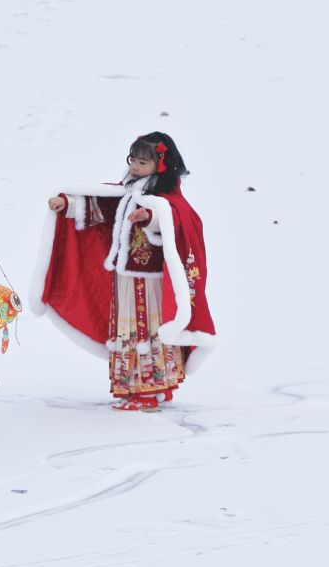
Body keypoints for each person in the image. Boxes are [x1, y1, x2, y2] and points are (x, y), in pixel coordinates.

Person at [32, 132, 216, 411]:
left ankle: (146, 391)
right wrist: (68, 205)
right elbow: (103, 208)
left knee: (145, 329)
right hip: (127, 278)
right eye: (133, 160)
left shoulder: (164, 200)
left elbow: (170, 220)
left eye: (143, 162)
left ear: (162, 165)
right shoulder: (130, 192)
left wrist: (149, 217)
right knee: (135, 329)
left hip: (150, 282)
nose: (135, 167)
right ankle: (157, 387)